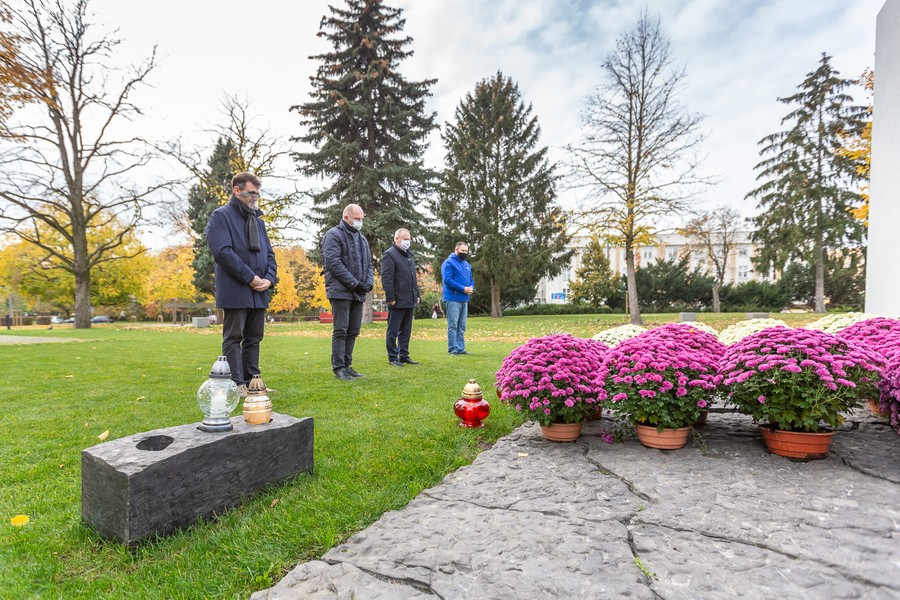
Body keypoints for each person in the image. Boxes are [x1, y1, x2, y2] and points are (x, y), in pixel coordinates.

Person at [206, 172, 277, 397]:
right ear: (237, 191)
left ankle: (253, 380)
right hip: (236, 289)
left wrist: (269, 278)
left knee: (254, 337)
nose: (255, 197)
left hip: (259, 291)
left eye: (257, 193)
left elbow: (270, 255)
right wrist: (250, 278)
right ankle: (236, 383)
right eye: (251, 193)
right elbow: (223, 252)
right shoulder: (221, 217)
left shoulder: (258, 221)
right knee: (234, 337)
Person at [322, 203, 374, 380]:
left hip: (358, 292)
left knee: (353, 330)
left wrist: (368, 283)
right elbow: (333, 263)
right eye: (357, 219)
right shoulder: (333, 235)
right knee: (341, 330)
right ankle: (338, 368)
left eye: (362, 219)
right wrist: (354, 283)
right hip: (340, 291)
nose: (360, 222)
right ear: (346, 218)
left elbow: (369, 264)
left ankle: (347, 365)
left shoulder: (362, 239)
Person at [380, 228, 420, 366]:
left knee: (406, 330)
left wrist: (417, 294)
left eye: (409, 239)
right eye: (404, 239)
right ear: (396, 239)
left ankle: (404, 354)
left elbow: (412, 277)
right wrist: (390, 298)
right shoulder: (389, 255)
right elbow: (387, 278)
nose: (407, 242)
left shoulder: (409, 256)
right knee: (393, 330)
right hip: (396, 299)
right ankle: (393, 357)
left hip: (409, 299)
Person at [441, 241, 474, 355]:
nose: (465, 253)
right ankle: (453, 349)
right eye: (462, 251)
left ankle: (461, 348)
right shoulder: (448, 263)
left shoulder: (467, 265)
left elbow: (471, 279)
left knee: (462, 326)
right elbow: (448, 280)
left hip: (464, 299)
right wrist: (463, 288)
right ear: (456, 250)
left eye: (466, 251)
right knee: (453, 325)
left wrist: (470, 287)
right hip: (452, 298)